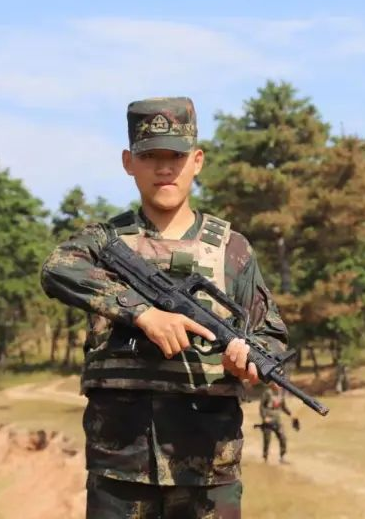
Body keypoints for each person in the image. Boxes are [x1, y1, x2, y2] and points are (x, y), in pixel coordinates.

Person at [41, 96, 289, 519]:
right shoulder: (103, 243)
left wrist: (248, 364)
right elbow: (57, 269)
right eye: (150, 156)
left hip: (207, 470)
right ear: (128, 162)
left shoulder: (232, 250)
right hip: (120, 468)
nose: (164, 169)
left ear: (197, 161)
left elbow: (272, 337)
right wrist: (142, 313)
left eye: (175, 156)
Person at [258, 384, 294, 464]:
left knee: (283, 438)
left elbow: (284, 407)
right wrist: (264, 417)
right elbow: (262, 406)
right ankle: (265, 458)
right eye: (277, 384)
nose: (279, 386)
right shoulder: (268, 393)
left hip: (277, 421)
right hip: (268, 421)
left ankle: (282, 457)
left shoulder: (281, 395)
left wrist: (291, 414)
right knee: (267, 439)